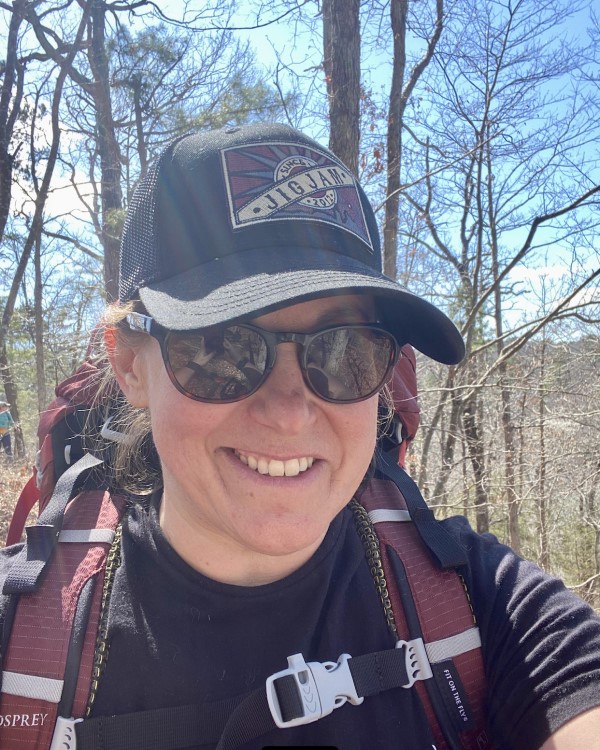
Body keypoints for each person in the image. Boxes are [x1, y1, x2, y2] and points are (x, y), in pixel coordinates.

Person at [1, 123, 599, 750]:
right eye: (220, 347)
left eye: (345, 352)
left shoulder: (488, 610)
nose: (290, 413)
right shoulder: (22, 645)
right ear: (129, 366)